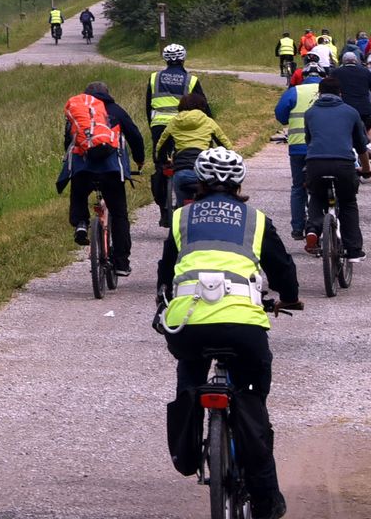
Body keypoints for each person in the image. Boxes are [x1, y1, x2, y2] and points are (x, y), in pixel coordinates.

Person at [155, 146, 301, 519]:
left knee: (189, 372)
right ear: (239, 183)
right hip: (243, 326)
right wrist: (289, 298)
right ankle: (266, 501)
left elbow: (166, 273)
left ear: (200, 182)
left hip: (189, 325)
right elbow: (282, 267)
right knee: (254, 404)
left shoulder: (181, 219)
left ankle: (187, 446)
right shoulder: (255, 219)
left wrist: (163, 307)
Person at [58, 80, 145, 276]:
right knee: (120, 214)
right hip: (111, 170)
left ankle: (81, 223)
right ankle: (121, 263)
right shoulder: (116, 111)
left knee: (79, 193)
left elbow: (68, 141)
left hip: (83, 169)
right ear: (107, 93)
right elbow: (135, 137)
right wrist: (139, 161)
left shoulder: (79, 111)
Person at [300, 76, 371, 261]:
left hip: (315, 163)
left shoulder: (310, 113)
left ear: (319, 93)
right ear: (341, 93)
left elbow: (309, 141)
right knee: (348, 202)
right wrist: (366, 169)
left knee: (316, 196)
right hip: (344, 165)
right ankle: (354, 250)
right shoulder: (351, 112)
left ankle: (312, 231)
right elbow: (361, 145)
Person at [154, 89, 233, 216]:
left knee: (181, 212)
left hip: (182, 172)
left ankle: (174, 231)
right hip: (205, 172)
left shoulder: (174, 122)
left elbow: (161, 147)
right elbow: (226, 146)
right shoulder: (208, 121)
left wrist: (163, 161)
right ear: (202, 107)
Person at [274, 56, 325, 240]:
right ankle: (323, 223)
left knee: (298, 187)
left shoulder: (295, 91)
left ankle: (297, 228)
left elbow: (281, 115)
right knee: (323, 185)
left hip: (298, 147)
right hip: (322, 148)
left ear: (303, 76)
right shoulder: (329, 91)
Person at [147, 45, 202, 210]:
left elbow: (147, 106)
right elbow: (203, 106)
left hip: (159, 125)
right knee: (188, 160)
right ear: (183, 58)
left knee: (160, 165)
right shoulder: (191, 80)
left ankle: (163, 208)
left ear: (165, 59)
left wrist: (153, 127)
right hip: (183, 126)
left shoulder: (154, 78)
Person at [329, 50, 371, 127]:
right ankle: (368, 139)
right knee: (370, 127)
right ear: (356, 60)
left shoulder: (336, 72)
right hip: (364, 108)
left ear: (343, 61)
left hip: (344, 109)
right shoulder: (365, 71)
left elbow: (330, 91)